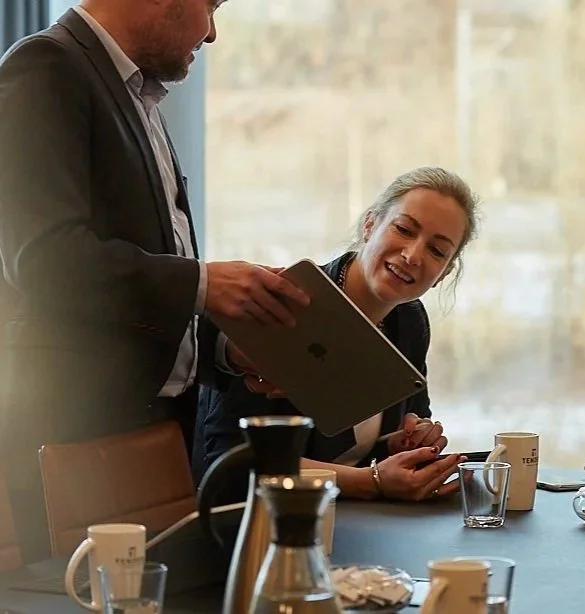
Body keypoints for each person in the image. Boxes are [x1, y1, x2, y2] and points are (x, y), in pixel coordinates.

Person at [0, 0, 309, 559]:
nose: (211, 34)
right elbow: (47, 263)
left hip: (142, 453)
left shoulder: (135, 99)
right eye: (214, 4)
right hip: (58, 459)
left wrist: (227, 352)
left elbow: (137, 298)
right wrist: (203, 283)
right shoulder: (41, 74)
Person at [196, 167, 480, 503]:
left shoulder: (410, 320)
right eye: (404, 229)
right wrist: (371, 481)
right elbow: (235, 462)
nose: (413, 255)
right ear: (370, 224)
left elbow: (348, 449)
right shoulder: (289, 305)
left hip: (350, 522)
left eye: (437, 251)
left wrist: (404, 443)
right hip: (258, 526)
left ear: (444, 273)